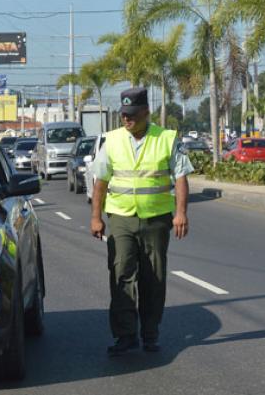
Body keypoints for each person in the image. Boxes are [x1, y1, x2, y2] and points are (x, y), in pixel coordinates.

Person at [89, 87, 192, 356]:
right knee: (121, 273)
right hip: (121, 218)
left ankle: (150, 333)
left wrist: (181, 212)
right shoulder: (111, 141)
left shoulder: (167, 138)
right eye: (124, 114)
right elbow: (100, 180)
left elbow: (180, 176)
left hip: (156, 220)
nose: (127, 119)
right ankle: (125, 335)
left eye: (132, 114)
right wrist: (96, 217)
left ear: (146, 112)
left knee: (153, 278)